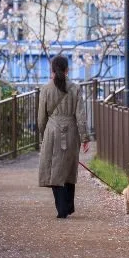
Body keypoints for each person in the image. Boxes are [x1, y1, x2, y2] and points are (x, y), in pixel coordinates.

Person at [38, 55, 90, 218]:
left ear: (52, 70)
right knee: (68, 168)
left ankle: (62, 209)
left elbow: (41, 118)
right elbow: (80, 115)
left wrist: (43, 135)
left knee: (55, 169)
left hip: (52, 131)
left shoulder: (46, 89)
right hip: (71, 131)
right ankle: (68, 206)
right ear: (67, 70)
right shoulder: (75, 88)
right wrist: (85, 137)